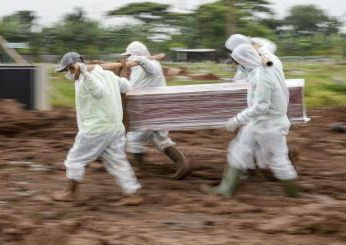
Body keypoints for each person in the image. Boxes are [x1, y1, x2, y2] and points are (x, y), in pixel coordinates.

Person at [204, 44, 298, 198]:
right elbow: (265, 50)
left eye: (238, 62)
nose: (238, 66)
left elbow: (261, 106)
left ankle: (294, 196)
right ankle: (225, 189)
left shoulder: (263, 75)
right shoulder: (266, 64)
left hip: (269, 124)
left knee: (278, 159)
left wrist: (237, 119)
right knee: (239, 150)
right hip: (259, 122)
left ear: (244, 60)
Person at [50, 52, 143, 206]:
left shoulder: (85, 78)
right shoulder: (108, 75)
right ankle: (132, 193)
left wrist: (85, 74)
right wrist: (124, 71)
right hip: (115, 128)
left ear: (73, 68)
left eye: (67, 70)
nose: (67, 74)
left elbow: (98, 92)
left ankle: (70, 193)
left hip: (96, 129)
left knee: (75, 159)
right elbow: (127, 86)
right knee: (117, 161)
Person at [122, 41, 188, 179]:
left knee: (135, 139)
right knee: (159, 139)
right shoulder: (136, 68)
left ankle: (141, 169)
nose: (127, 59)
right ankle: (182, 165)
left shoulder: (152, 65)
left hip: (153, 110)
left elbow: (151, 69)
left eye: (129, 56)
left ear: (137, 56)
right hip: (145, 110)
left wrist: (141, 60)